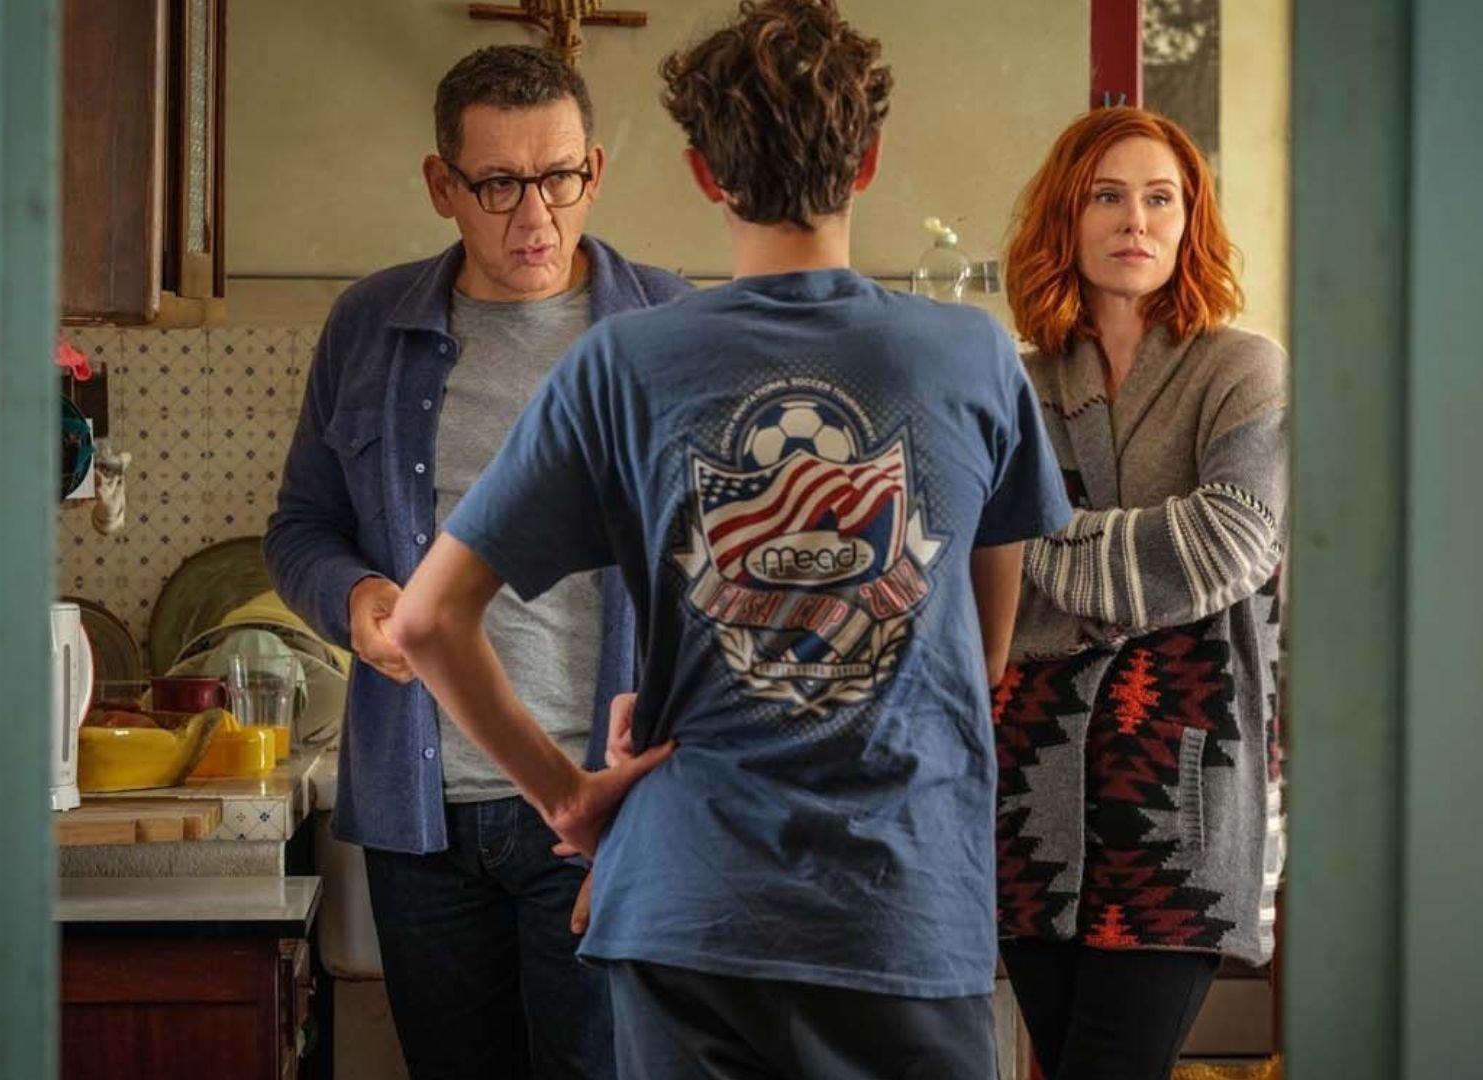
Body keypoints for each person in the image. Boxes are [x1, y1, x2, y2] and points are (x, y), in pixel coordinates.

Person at [386, 2, 1071, 1076]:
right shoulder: (974, 358)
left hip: (687, 913)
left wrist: (569, 798)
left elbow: (426, 620)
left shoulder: (620, 364)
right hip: (901, 920)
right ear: (869, 161)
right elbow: (976, 663)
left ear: (705, 174)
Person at [263, 44, 688, 1080]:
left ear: (593, 170)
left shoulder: (671, 329)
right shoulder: (370, 326)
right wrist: (355, 598)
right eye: (498, 184)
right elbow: (301, 526)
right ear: (441, 184)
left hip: (606, 809)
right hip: (422, 822)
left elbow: (727, 579)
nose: (533, 215)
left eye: (558, 178)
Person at [991, 106, 1288, 1079]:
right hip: (1029, 795)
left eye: (1161, 199)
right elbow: (977, 563)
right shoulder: (1016, 387)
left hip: (1181, 796)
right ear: (1065, 218)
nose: (1136, 219)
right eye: (1107, 197)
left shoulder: (1243, 372)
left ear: (1190, 220)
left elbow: (1227, 547)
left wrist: (1044, 547)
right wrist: (1143, 574)